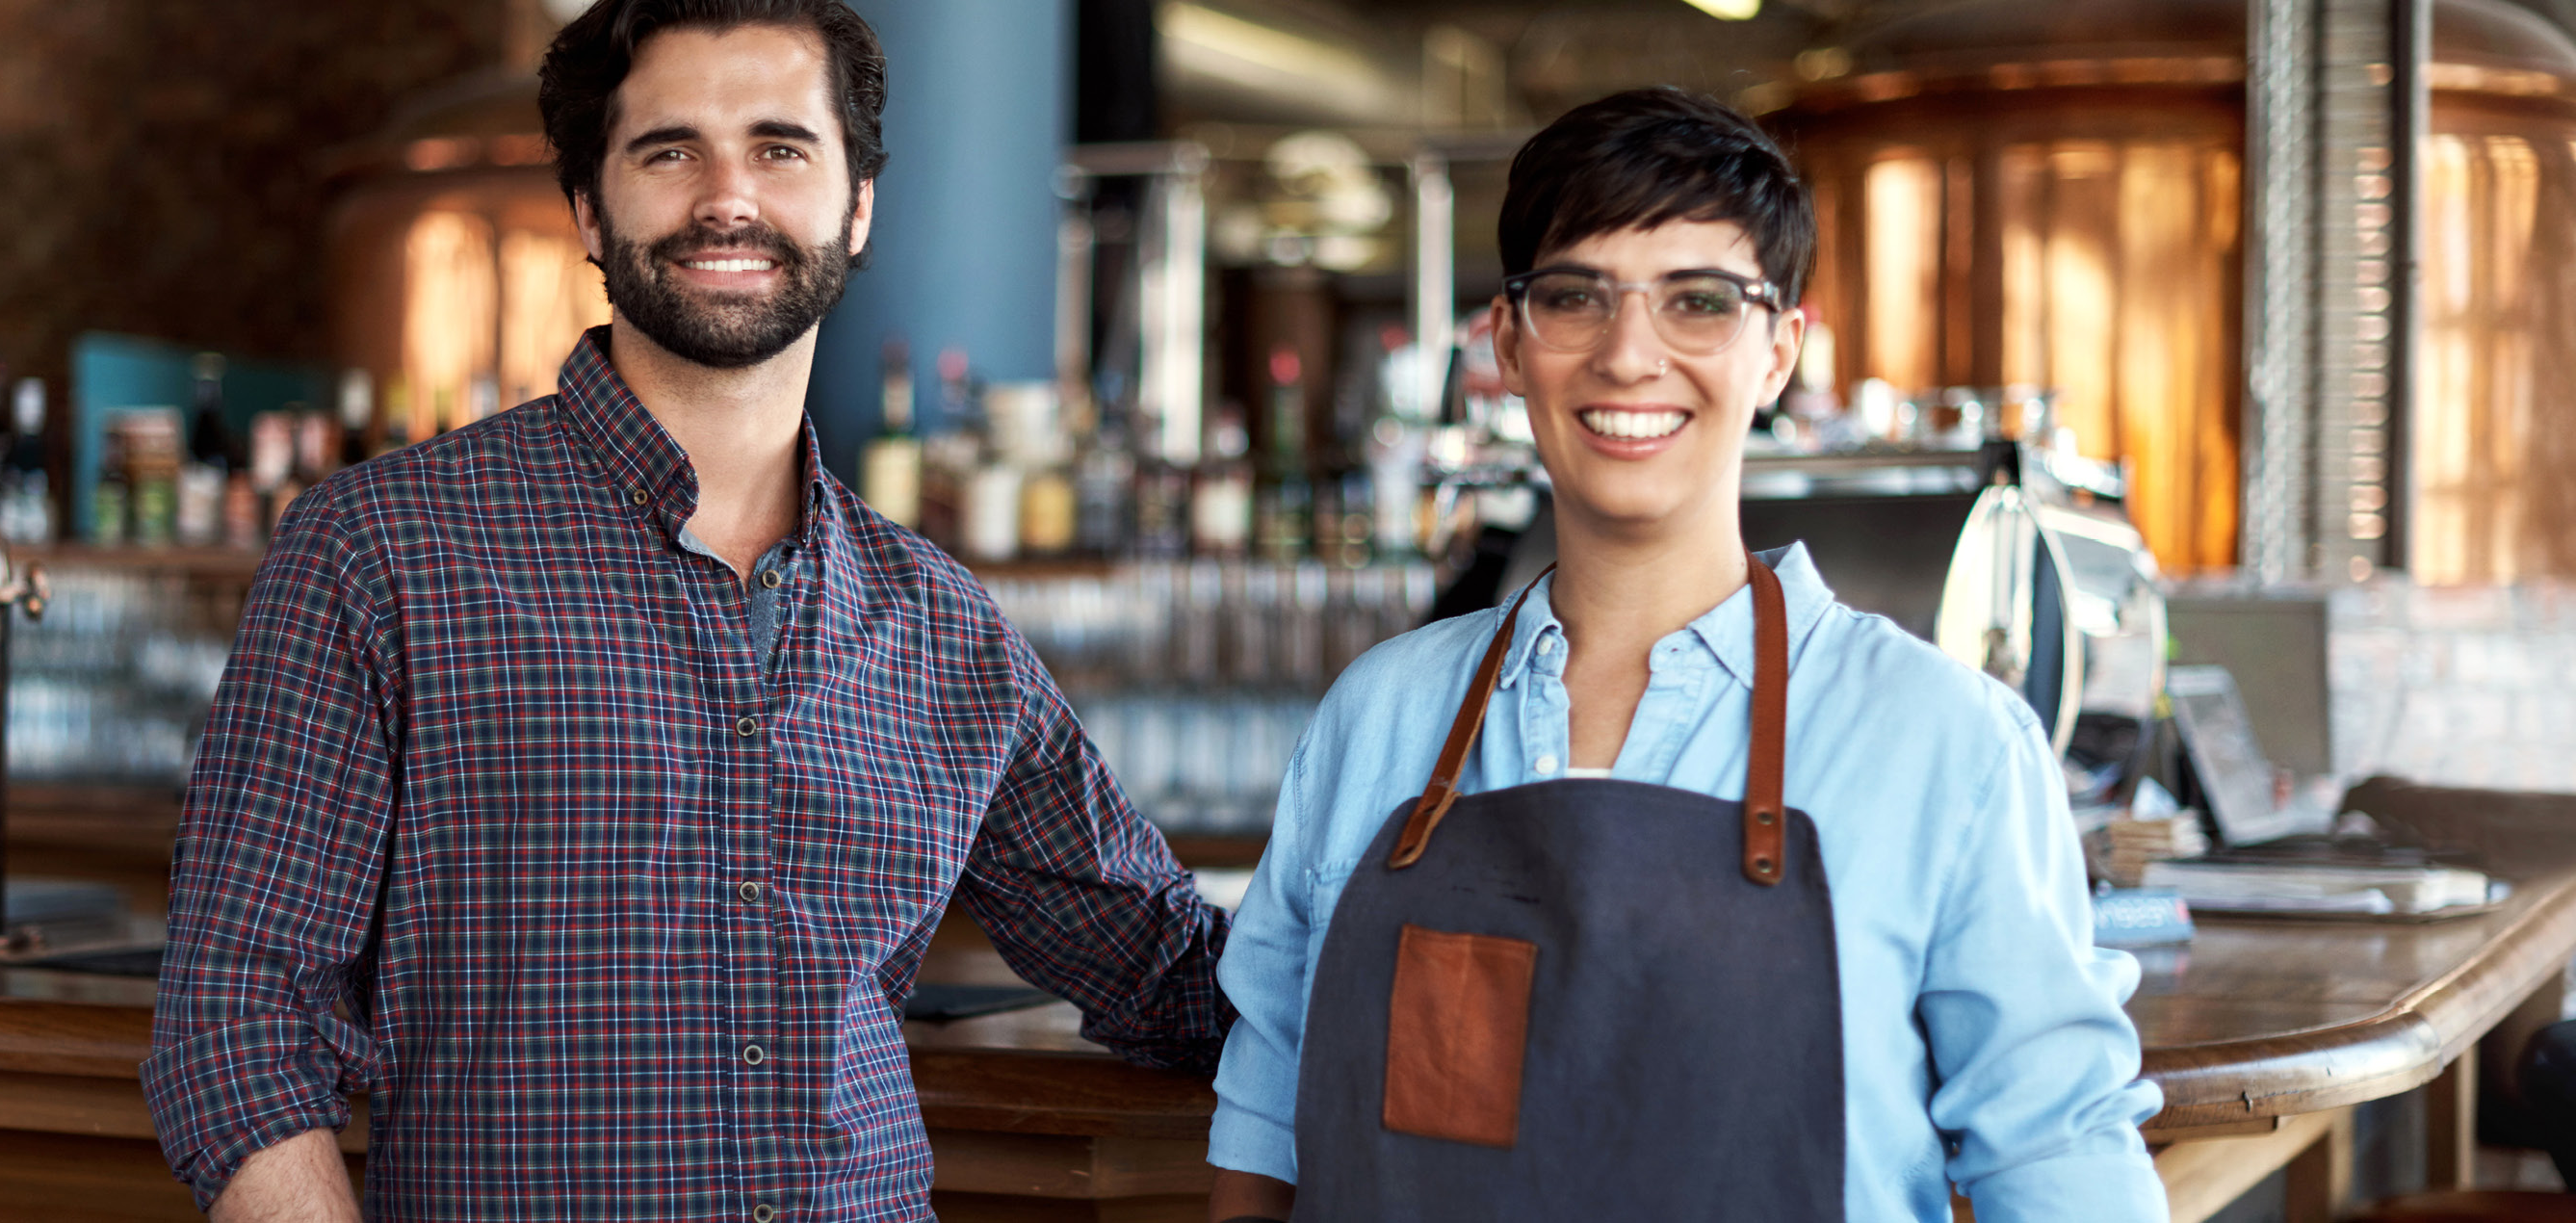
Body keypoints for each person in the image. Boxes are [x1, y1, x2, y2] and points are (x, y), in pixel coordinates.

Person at [142, 2, 1232, 1218]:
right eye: (669, 151)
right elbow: (239, 1023)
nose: (727, 199)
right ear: (589, 211)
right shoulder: (381, 550)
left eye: (780, 148)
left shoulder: (940, 625)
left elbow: (1162, 966)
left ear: (856, 206)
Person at [1202, 88, 2166, 1222]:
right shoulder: (1382, 715)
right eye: (1573, 297)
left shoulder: (1944, 744)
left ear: (1777, 353)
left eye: (1698, 303)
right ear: (1508, 345)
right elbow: (1269, 1112)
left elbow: (2058, 1167)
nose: (1627, 355)